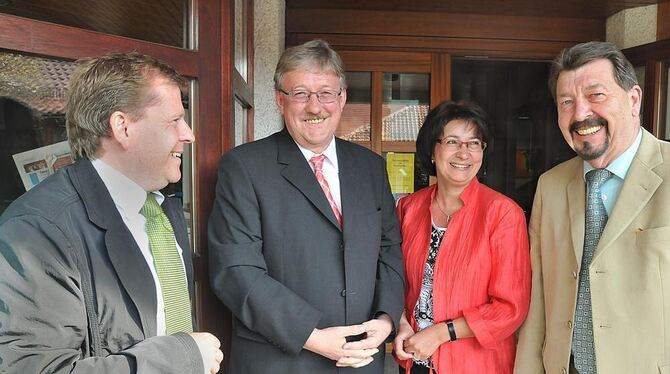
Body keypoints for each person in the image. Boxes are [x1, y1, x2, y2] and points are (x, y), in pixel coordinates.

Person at [0, 52, 223, 374]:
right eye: (174, 120)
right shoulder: (35, 232)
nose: (188, 134)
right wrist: (181, 358)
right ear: (122, 127)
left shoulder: (161, 209)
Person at [208, 39, 405, 373]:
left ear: (341, 98)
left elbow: (389, 250)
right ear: (279, 100)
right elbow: (235, 270)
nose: (315, 107)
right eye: (300, 93)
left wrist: (386, 320)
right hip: (281, 361)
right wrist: (312, 337)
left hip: (361, 360)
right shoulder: (244, 167)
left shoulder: (370, 167)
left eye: (326, 93)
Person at [514, 41, 670, 374]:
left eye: (595, 95)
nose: (580, 113)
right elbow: (538, 298)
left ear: (633, 100)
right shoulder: (551, 185)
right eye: (566, 102)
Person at [392, 101, 531, 373]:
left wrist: (440, 333)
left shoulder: (503, 213)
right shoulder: (408, 209)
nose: (464, 153)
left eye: (474, 143)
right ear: (433, 149)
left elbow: (510, 308)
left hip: (475, 364)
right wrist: (400, 322)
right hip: (414, 360)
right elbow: (393, 278)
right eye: (453, 141)